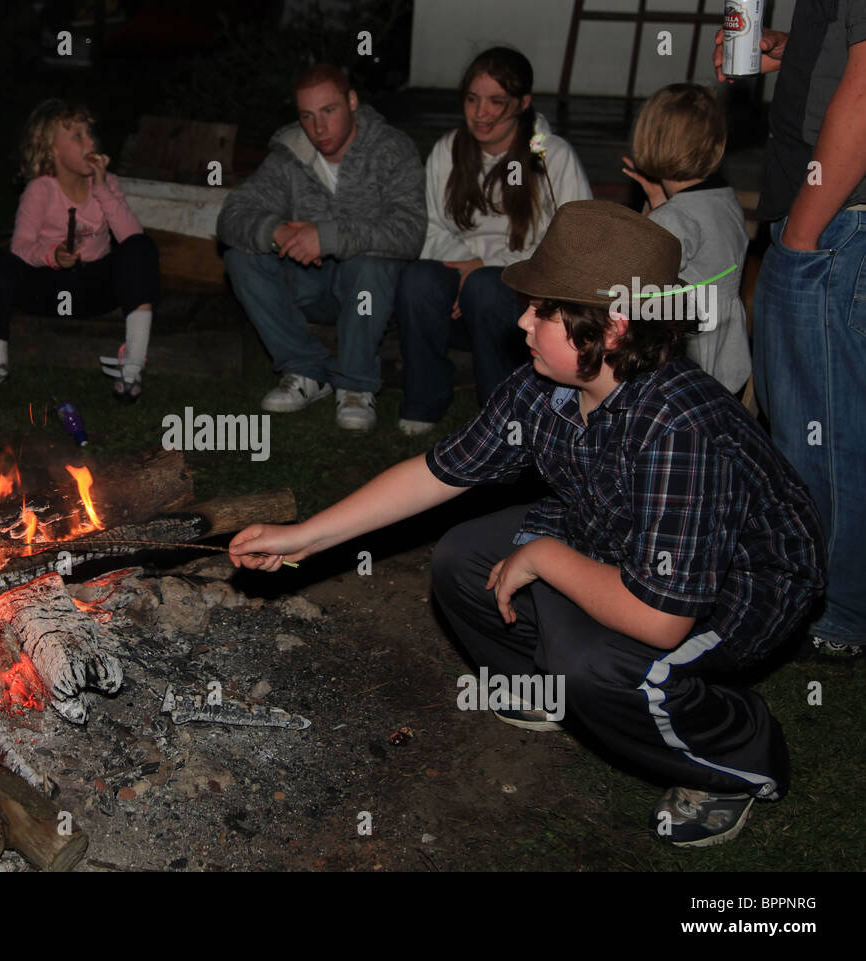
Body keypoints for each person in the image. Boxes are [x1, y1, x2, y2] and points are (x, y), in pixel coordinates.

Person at [229, 201, 825, 847]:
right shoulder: (545, 387)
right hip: (616, 530)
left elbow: (660, 618)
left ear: (612, 329)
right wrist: (304, 536)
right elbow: (436, 474)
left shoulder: (679, 429)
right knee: (463, 555)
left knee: (595, 663)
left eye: (543, 310)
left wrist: (543, 556)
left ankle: (733, 759)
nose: (522, 320)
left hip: (741, 585)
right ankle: (547, 690)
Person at [712, 6, 866, 660]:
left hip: (835, 222)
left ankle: (836, 617)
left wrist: (804, 232)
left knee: (826, 435)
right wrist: (793, 50)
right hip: (827, 219)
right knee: (808, 424)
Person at [217, 64, 426, 431]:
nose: (318, 128)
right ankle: (305, 369)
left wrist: (327, 237)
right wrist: (279, 232)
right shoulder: (290, 155)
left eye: (329, 111)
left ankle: (355, 384)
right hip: (311, 284)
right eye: (307, 116)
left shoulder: (391, 150)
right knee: (240, 256)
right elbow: (231, 217)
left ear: (352, 101)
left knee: (371, 263)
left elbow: (409, 231)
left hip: (371, 294)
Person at [395, 47, 591, 436]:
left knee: (486, 286)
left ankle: (502, 412)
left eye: (495, 102)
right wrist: (465, 267)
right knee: (417, 280)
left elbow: (574, 239)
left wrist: (487, 268)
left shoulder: (551, 156)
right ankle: (424, 399)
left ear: (522, 103)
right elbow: (429, 226)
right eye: (472, 99)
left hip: (522, 295)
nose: (480, 113)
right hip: (459, 280)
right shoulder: (449, 149)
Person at [0, 99, 159, 403]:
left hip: (93, 289)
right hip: (47, 286)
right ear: (53, 150)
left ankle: (133, 363)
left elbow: (130, 236)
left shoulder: (108, 184)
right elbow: (20, 247)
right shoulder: (41, 190)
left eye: (89, 134)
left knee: (141, 247)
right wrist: (52, 256)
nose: (90, 142)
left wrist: (101, 189)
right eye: (77, 136)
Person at [622, 83, 751, 394]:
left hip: (687, 360)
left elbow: (632, 279)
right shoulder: (723, 197)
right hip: (727, 351)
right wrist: (659, 202)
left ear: (650, 140)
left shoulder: (675, 217)